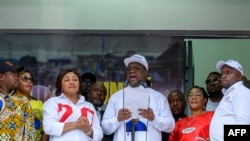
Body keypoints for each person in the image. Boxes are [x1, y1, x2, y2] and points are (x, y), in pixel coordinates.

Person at [101, 54, 175, 141]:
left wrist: (154, 118)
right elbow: (105, 129)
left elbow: (171, 126)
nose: (132, 71)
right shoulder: (116, 98)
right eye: (129, 68)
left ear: (146, 72)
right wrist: (117, 119)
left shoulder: (159, 98)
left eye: (137, 68)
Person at [43, 68, 103, 141]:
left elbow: (99, 134)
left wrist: (88, 129)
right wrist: (76, 124)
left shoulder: (89, 106)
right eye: (67, 80)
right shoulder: (52, 102)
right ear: (60, 85)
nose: (72, 82)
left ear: (79, 85)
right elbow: (49, 127)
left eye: (75, 80)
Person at [210, 59, 250, 141]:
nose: (224, 76)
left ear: (239, 77)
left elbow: (243, 123)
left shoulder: (241, 91)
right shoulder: (230, 93)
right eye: (223, 73)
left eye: (228, 72)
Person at [0, 61, 36, 140]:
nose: (16, 77)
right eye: (13, 74)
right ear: (1, 77)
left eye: (16, 74)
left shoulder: (23, 101)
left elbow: (30, 132)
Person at [14, 66, 49, 141]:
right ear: (16, 81)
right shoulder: (10, 103)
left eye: (31, 79)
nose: (29, 81)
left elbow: (44, 130)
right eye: (25, 78)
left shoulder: (39, 104)